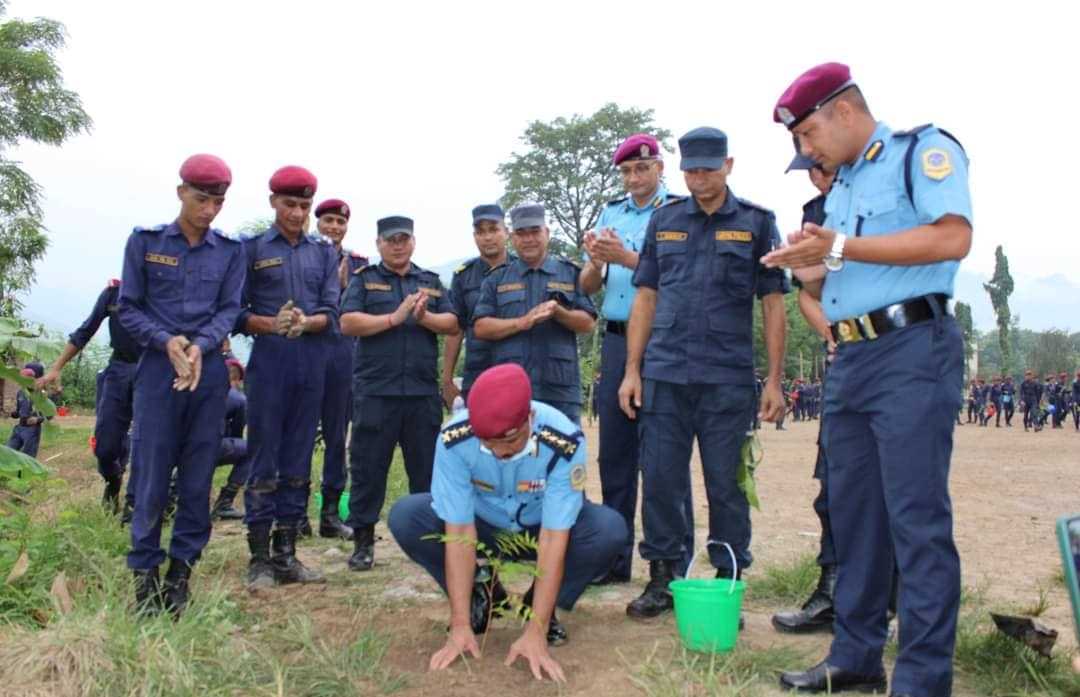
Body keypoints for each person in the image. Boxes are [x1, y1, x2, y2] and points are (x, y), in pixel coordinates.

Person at [767, 62, 972, 695]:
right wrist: (809, 266)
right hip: (850, 359)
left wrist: (840, 248)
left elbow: (953, 238)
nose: (807, 151)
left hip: (913, 350)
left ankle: (921, 678)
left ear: (845, 112)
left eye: (808, 135)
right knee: (855, 517)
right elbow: (838, 276)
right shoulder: (844, 187)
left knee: (916, 519)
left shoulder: (922, 152)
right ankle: (855, 657)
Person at [618, 126, 788, 620]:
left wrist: (774, 379)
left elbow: (774, 304)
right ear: (681, 169)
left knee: (727, 484)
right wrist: (633, 370)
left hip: (726, 380)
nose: (700, 179)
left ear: (728, 165)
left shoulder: (757, 223)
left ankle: (728, 576)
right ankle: (663, 578)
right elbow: (645, 297)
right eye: (691, 170)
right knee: (663, 480)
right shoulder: (665, 221)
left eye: (709, 169)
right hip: (666, 376)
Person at [388, 364, 625, 682]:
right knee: (407, 516)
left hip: (540, 527)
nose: (499, 452)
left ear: (528, 418)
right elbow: (458, 532)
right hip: (484, 525)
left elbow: (555, 537)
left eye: (510, 441)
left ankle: (540, 606)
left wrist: (536, 631)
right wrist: (459, 625)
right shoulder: (454, 439)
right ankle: (482, 595)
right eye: (489, 443)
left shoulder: (564, 440)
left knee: (608, 530)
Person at [118, 153, 245, 616]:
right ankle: (145, 579)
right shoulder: (145, 242)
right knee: (151, 475)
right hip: (156, 371)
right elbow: (128, 306)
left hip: (207, 373)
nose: (209, 209)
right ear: (180, 193)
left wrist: (200, 346)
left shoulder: (231, 251)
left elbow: (230, 309)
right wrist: (167, 341)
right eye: (201, 199)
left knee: (196, 479)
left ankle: (180, 575)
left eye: (218, 201)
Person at [579, 133, 693, 585]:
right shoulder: (612, 212)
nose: (634, 178)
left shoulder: (679, 212)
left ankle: (670, 567)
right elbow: (590, 285)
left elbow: (678, 277)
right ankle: (614, 558)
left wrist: (625, 255)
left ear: (660, 168)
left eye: (642, 169)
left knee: (664, 457)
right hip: (615, 338)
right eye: (626, 171)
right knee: (616, 456)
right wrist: (593, 261)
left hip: (664, 341)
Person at [236, 166, 340, 590]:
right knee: (264, 458)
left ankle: (287, 554)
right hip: (269, 365)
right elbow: (234, 312)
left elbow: (332, 312)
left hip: (311, 365)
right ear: (273, 203)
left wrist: (307, 322)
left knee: (299, 459)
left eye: (304, 205)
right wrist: (269, 322)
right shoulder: (251, 249)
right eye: (289, 204)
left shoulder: (324, 252)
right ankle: (258, 557)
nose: (297, 213)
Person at [340, 215, 458, 572]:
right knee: (367, 468)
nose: (397, 245)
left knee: (426, 470)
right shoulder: (365, 280)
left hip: (421, 394)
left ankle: (427, 544)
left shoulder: (431, 283)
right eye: (390, 239)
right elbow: (347, 323)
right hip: (376, 392)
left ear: (413, 242)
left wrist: (424, 318)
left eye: (403, 238)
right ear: (379, 244)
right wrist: (393, 318)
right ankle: (363, 542)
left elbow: (453, 323)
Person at [473, 203, 597, 423]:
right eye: (521, 233)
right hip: (510, 389)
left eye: (535, 232)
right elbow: (481, 327)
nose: (528, 239)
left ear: (547, 233)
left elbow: (588, 324)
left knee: (564, 452)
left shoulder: (570, 273)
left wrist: (559, 313)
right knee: (511, 453)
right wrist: (521, 322)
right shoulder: (496, 278)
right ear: (512, 238)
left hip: (560, 391)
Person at [37, 279, 141, 512]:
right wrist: (56, 367)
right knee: (104, 447)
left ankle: (135, 508)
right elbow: (85, 331)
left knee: (148, 443)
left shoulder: (167, 291)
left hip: (154, 371)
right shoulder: (114, 294)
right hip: (119, 369)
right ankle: (113, 480)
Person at [306, 197, 363, 540]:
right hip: (307, 354)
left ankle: (330, 514)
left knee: (337, 437)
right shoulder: (304, 255)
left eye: (339, 223)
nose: (334, 227)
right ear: (318, 223)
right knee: (298, 436)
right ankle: (295, 513)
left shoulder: (358, 264)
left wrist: (344, 289)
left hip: (343, 357)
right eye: (328, 221)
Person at [442, 204, 513, 410]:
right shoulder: (463, 276)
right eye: (481, 232)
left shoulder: (521, 270)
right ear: (474, 236)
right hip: (477, 371)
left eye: (493, 229)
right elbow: (456, 330)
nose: (487, 237)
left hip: (516, 368)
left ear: (506, 232)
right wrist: (447, 380)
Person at [210, 358, 249, 520]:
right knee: (251, 450)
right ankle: (224, 503)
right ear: (236, 380)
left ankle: (171, 500)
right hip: (210, 447)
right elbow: (236, 434)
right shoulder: (237, 398)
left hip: (175, 448)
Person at [7, 364, 46, 457]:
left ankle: (25, 471)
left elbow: (48, 415)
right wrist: (12, 413)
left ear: (33, 379)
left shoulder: (40, 394)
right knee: (9, 451)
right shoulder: (21, 392)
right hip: (19, 427)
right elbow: (18, 411)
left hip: (32, 430)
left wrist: (37, 419)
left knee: (28, 456)